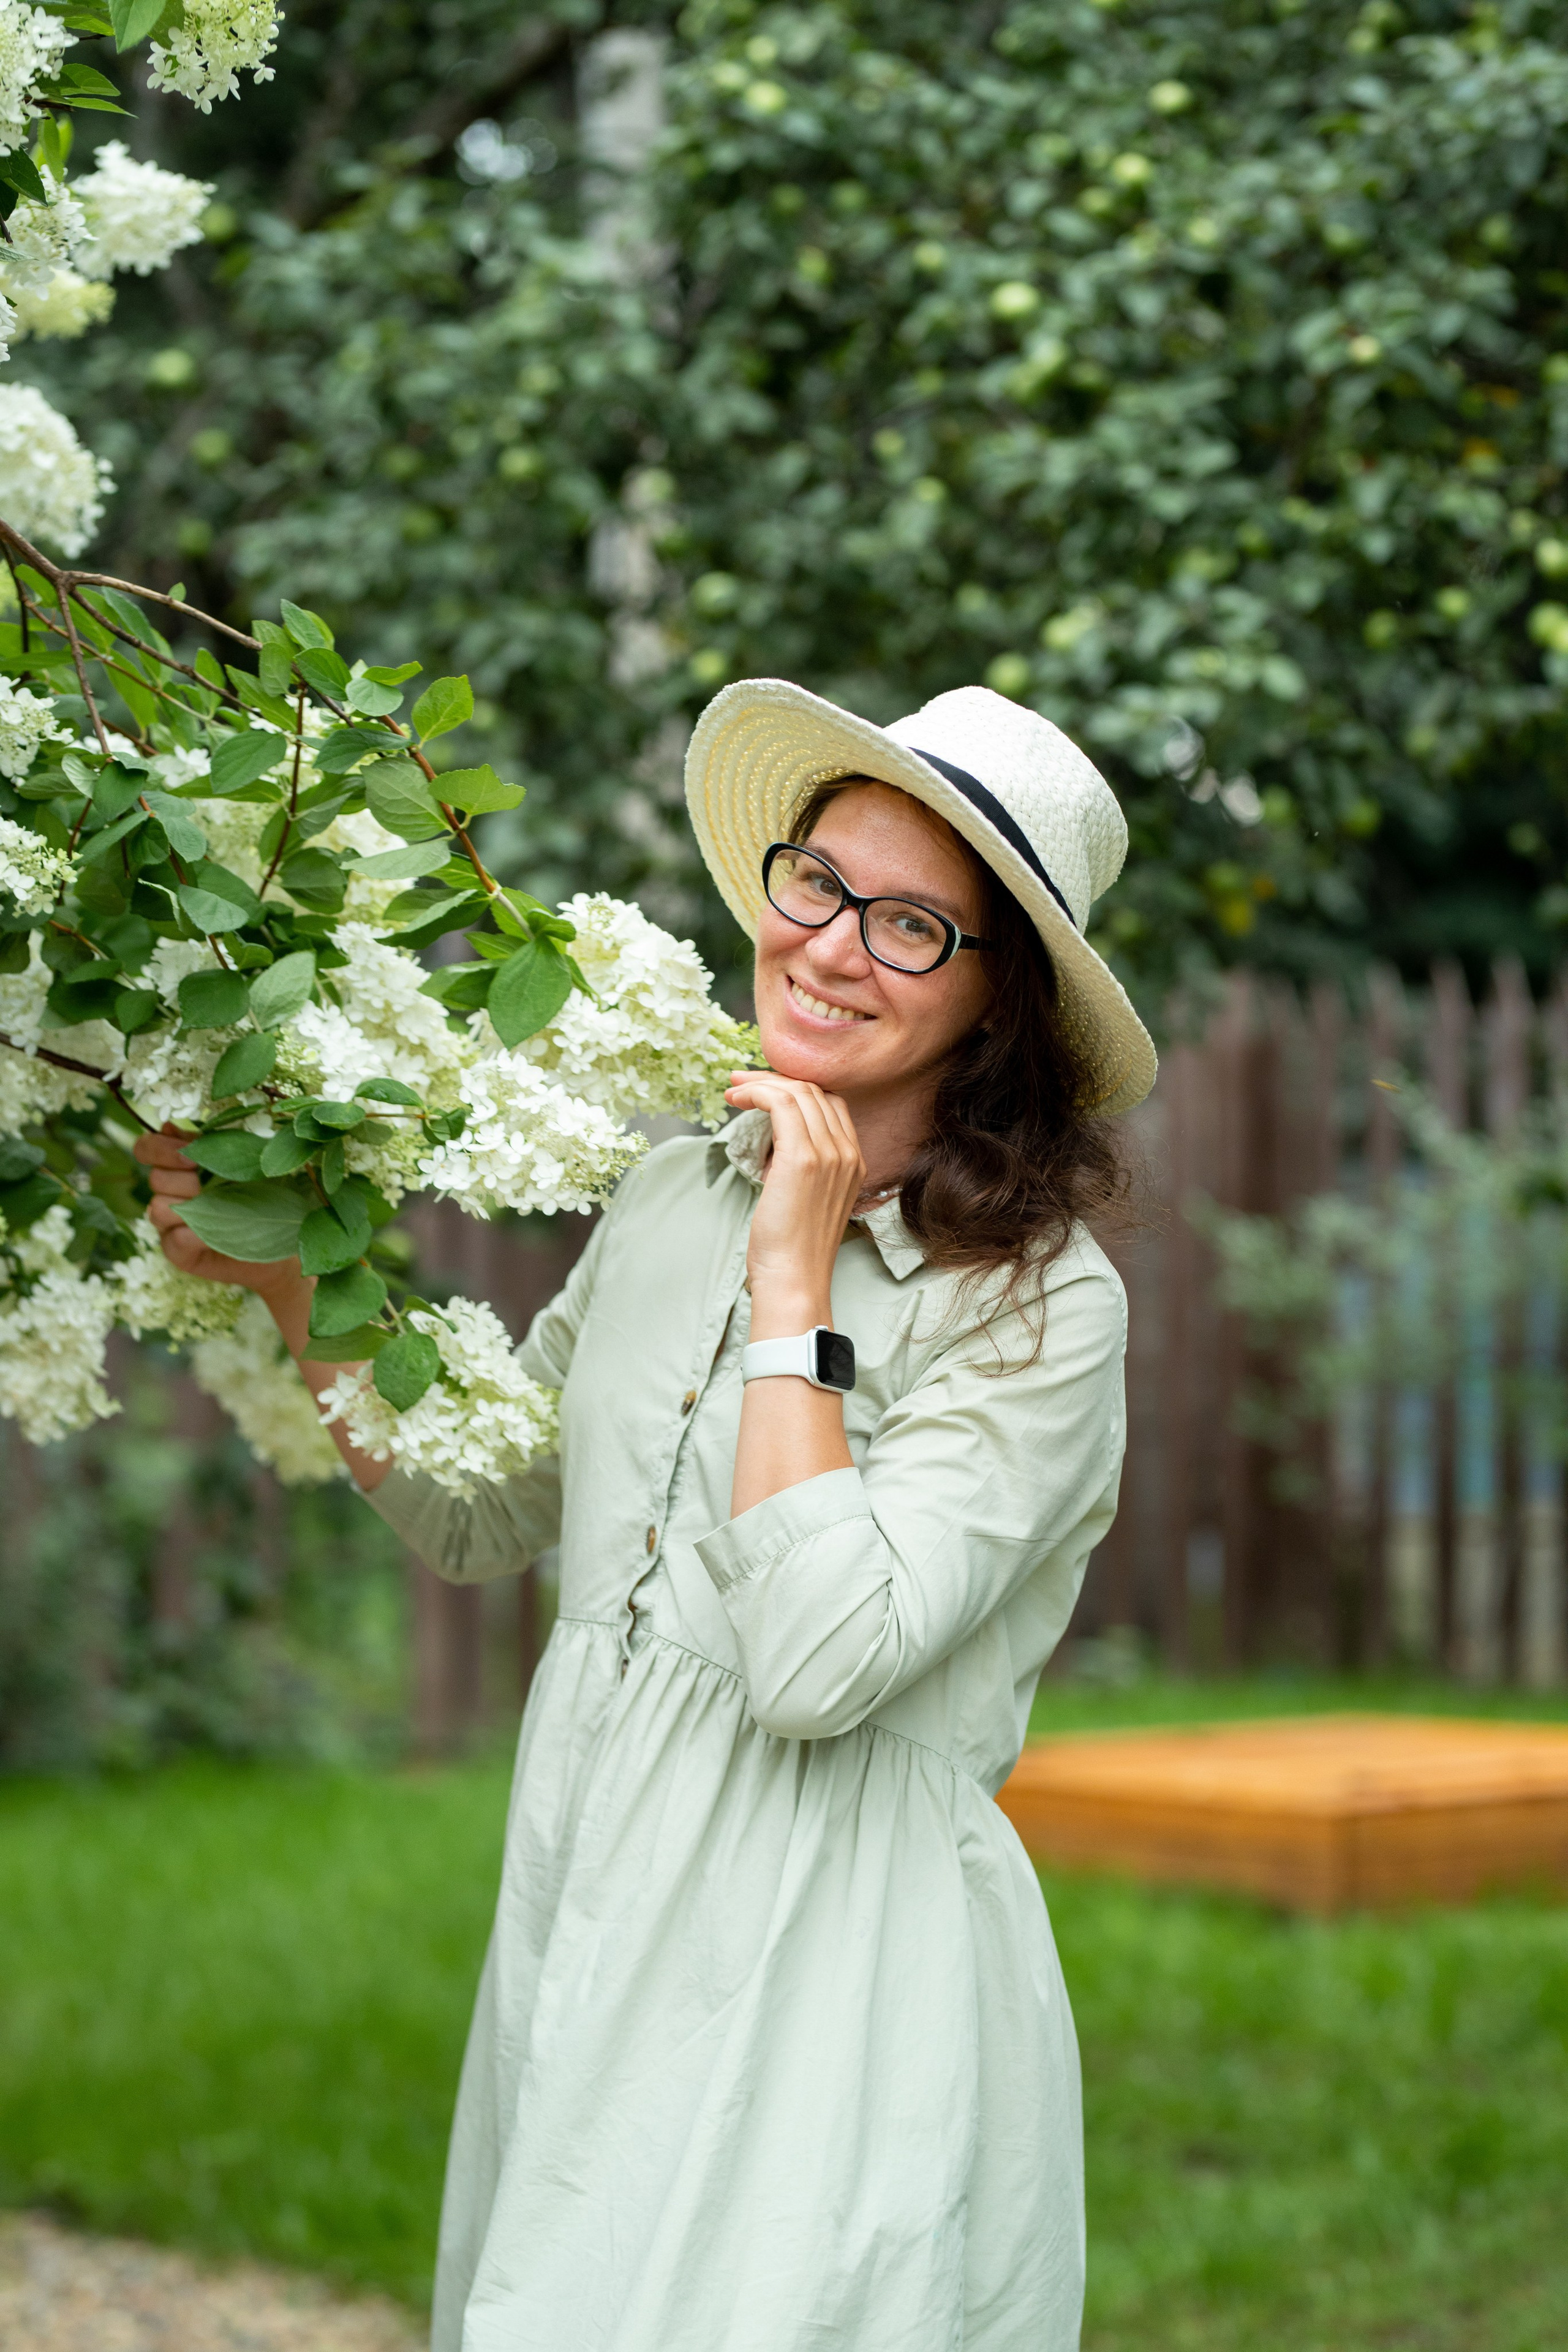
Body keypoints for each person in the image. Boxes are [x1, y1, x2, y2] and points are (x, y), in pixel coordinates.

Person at [136, 679, 1157, 2352]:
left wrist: (793, 1280)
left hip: (830, 1961)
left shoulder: (1041, 1309)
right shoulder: (672, 1191)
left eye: (913, 926)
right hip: (591, 1885)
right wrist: (286, 1286)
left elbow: (819, 1664)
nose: (829, 947)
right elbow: (491, 1513)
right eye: (818, 882)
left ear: (999, 1006)